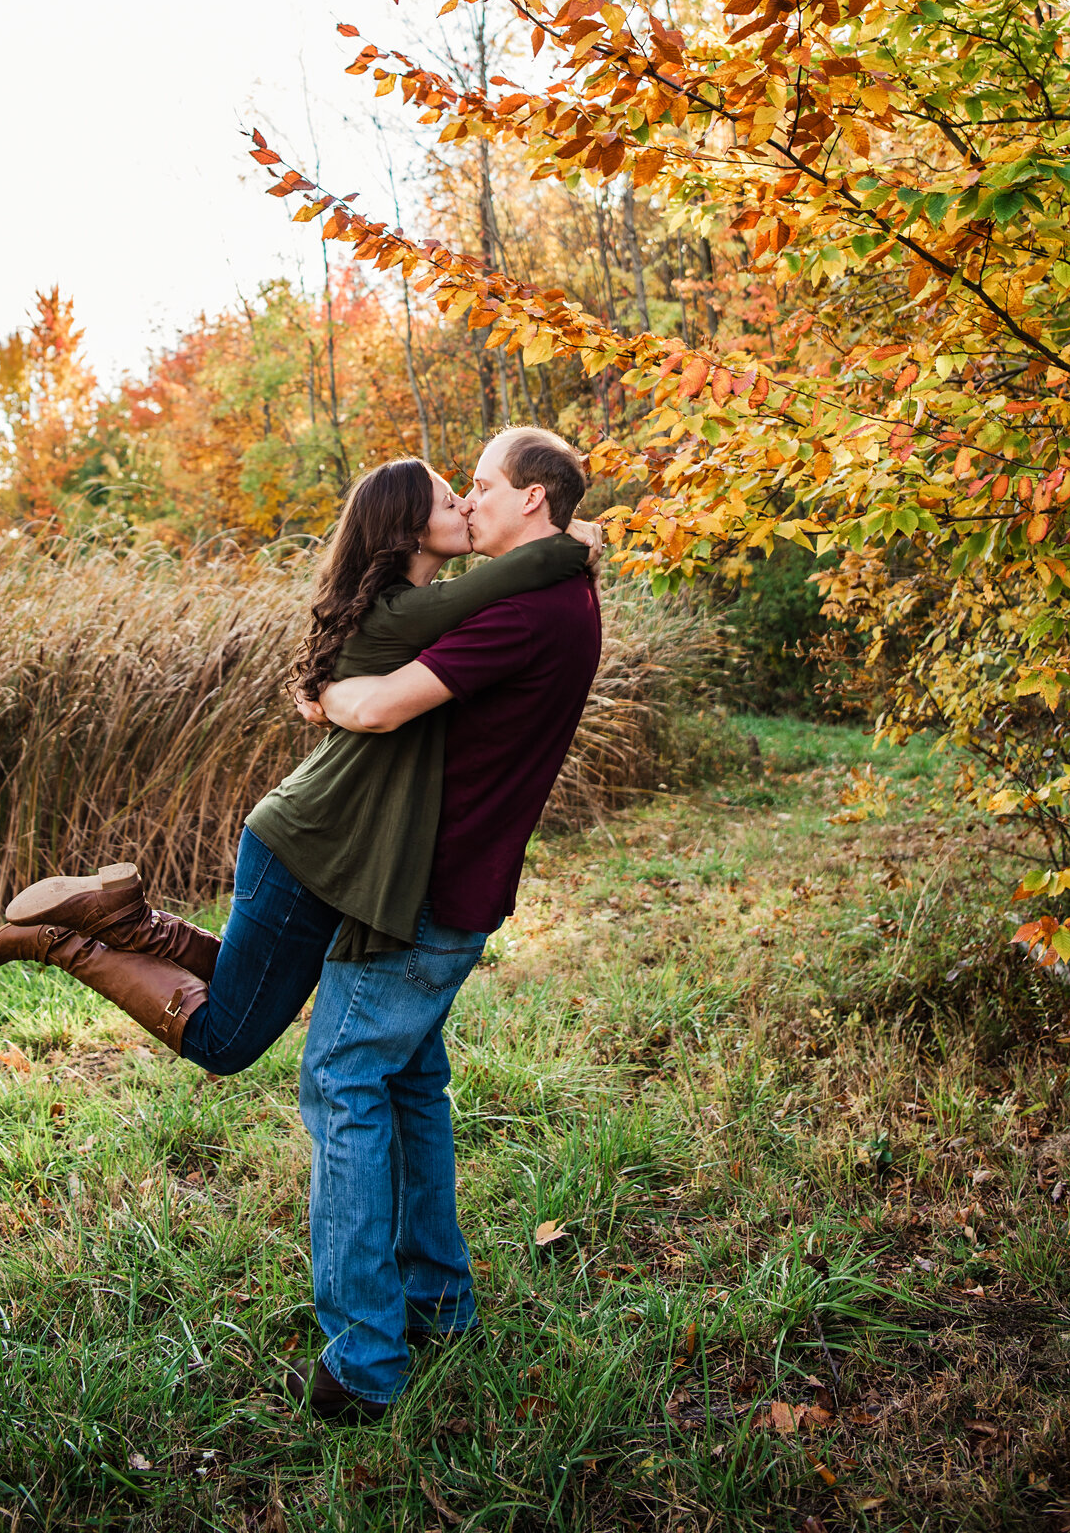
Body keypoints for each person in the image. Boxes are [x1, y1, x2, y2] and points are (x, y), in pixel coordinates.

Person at [0, 458, 598, 1090]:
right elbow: (528, 568)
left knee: (256, 989)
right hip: (310, 836)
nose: (465, 506)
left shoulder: (408, 609)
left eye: (472, 493)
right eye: (448, 502)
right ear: (408, 532)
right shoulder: (409, 611)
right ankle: (62, 942)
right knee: (226, 1040)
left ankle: (130, 923)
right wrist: (572, 541)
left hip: (337, 840)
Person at [284, 426, 603, 1424]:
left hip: (426, 888)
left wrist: (325, 695)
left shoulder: (527, 612)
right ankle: (438, 1300)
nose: (469, 502)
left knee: (340, 1077)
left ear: (532, 503)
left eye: (481, 485)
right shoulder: (547, 592)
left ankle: (365, 1360)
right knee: (408, 1079)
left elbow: (378, 706)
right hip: (450, 881)